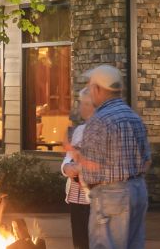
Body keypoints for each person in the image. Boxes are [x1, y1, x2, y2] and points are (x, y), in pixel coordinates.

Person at [65, 65, 149, 249]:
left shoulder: (98, 120)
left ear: (98, 89)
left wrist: (77, 160)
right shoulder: (134, 118)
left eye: (90, 86)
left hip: (110, 196)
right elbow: (147, 160)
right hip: (138, 191)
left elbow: (90, 171)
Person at [60, 86, 93, 249]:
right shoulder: (79, 130)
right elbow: (69, 156)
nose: (82, 107)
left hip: (96, 197)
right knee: (79, 242)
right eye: (82, 103)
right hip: (75, 195)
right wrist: (66, 167)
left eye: (86, 104)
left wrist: (81, 166)